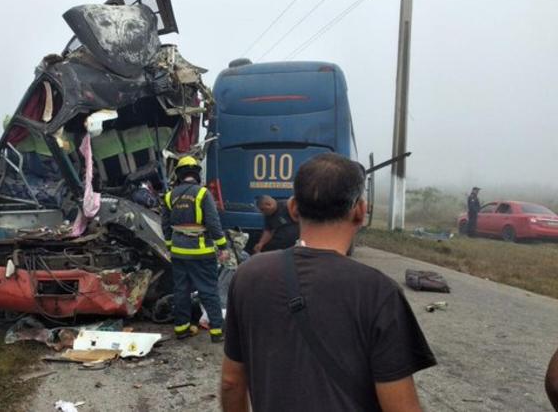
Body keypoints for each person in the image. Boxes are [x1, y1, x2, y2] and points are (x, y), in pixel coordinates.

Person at [221, 153, 436, 411]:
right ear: (360, 211)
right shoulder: (378, 292)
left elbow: (231, 382)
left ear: (292, 208)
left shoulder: (248, 274)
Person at [161, 156, 229, 343]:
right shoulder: (202, 194)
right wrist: (222, 246)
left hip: (178, 253)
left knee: (181, 291)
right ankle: (216, 331)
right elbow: (213, 223)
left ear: (180, 175)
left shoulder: (169, 196)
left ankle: (181, 329)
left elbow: (165, 225)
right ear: (197, 174)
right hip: (201, 253)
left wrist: (170, 247)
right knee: (208, 290)